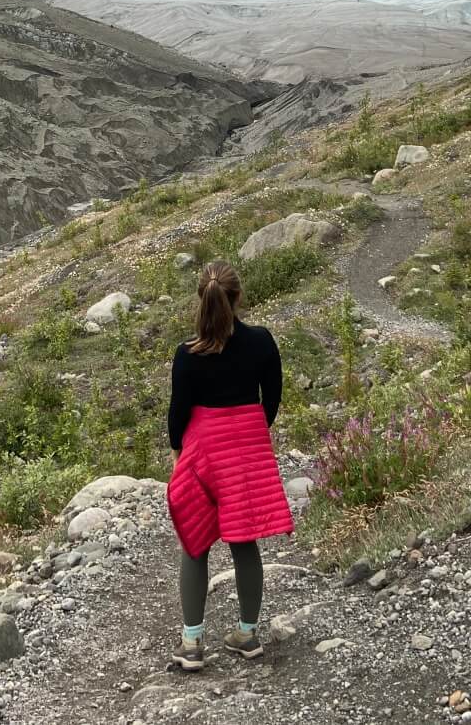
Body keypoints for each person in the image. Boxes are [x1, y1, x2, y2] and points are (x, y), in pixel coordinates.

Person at [166, 260, 293, 671]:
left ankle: (191, 645)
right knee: (243, 540)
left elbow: (177, 413)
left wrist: (177, 451)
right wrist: (252, 431)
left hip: (203, 450)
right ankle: (247, 635)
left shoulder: (187, 354)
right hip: (246, 449)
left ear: (200, 298)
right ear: (238, 298)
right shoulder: (262, 342)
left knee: (194, 540)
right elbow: (270, 398)